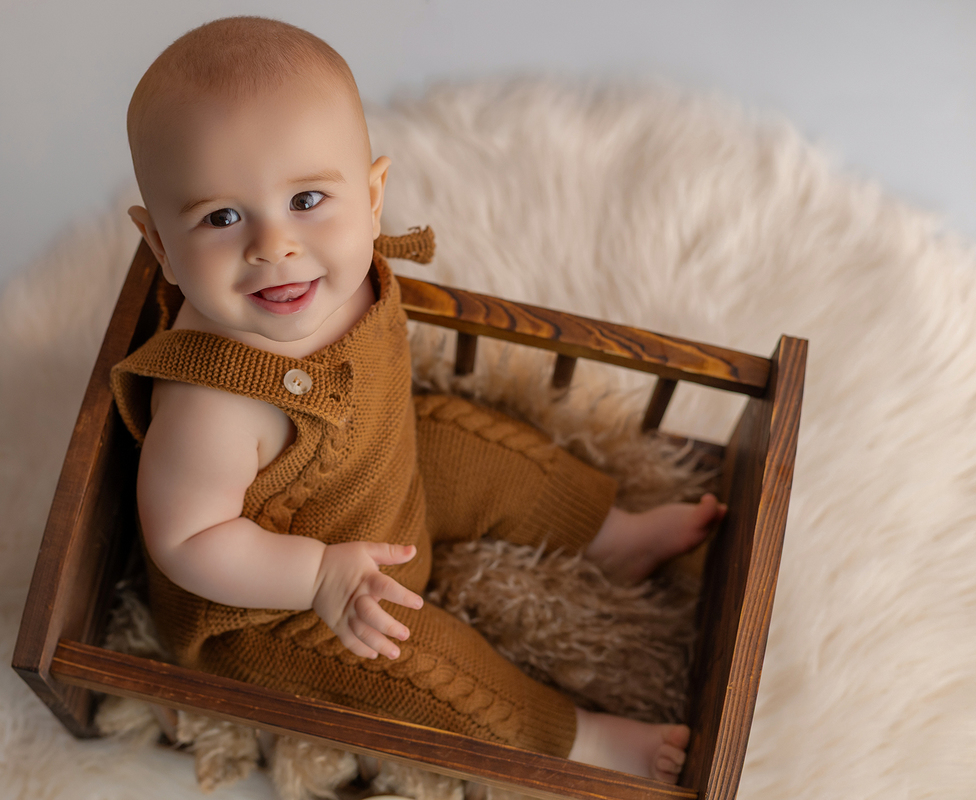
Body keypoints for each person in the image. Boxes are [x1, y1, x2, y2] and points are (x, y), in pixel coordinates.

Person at [111, 16, 725, 783]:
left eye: (307, 199)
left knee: (482, 448)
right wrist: (316, 578)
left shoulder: (354, 274)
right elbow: (188, 540)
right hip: (280, 608)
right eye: (222, 218)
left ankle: (611, 531)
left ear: (372, 199)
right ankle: (579, 740)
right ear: (161, 245)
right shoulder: (213, 404)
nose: (274, 246)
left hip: (379, 478)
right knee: (428, 668)